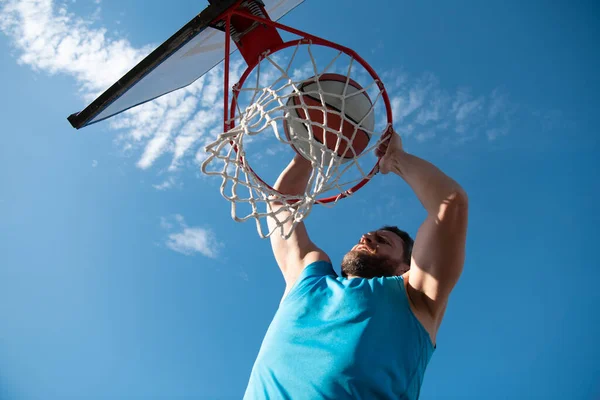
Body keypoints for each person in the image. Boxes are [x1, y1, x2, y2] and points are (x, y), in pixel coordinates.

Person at [243, 130, 469, 399]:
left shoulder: (415, 297)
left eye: (382, 240)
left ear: (404, 267)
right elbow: (280, 205)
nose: (366, 237)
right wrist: (311, 151)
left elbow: (450, 205)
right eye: (368, 235)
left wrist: (395, 158)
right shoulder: (309, 277)